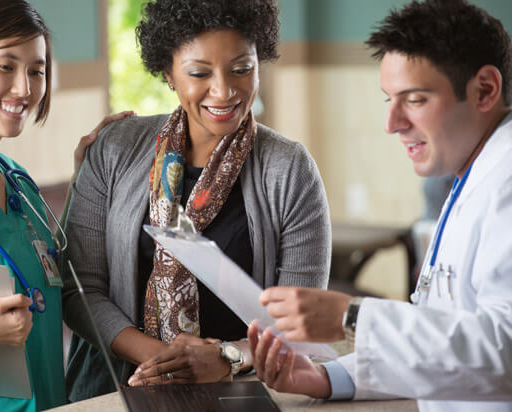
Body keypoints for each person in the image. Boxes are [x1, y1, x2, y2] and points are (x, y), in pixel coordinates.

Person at [61, 0, 331, 402]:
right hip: (114, 390)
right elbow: (79, 289)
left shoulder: (291, 171)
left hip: (243, 393)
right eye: (199, 73)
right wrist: (166, 362)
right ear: (168, 73)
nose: (224, 90)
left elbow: (302, 320)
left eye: (242, 69)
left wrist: (227, 358)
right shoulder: (115, 150)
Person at [249, 1, 512, 411]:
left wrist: (351, 317)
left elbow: (503, 352)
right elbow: (442, 345)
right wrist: (325, 377)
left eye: (415, 99)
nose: (391, 123)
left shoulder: (506, 181)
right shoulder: (473, 174)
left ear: (485, 90)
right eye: (389, 99)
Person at [0, 1, 127, 410]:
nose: (25, 88)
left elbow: (59, 273)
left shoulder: (18, 182)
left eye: (37, 70)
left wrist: (87, 178)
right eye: (5, 66)